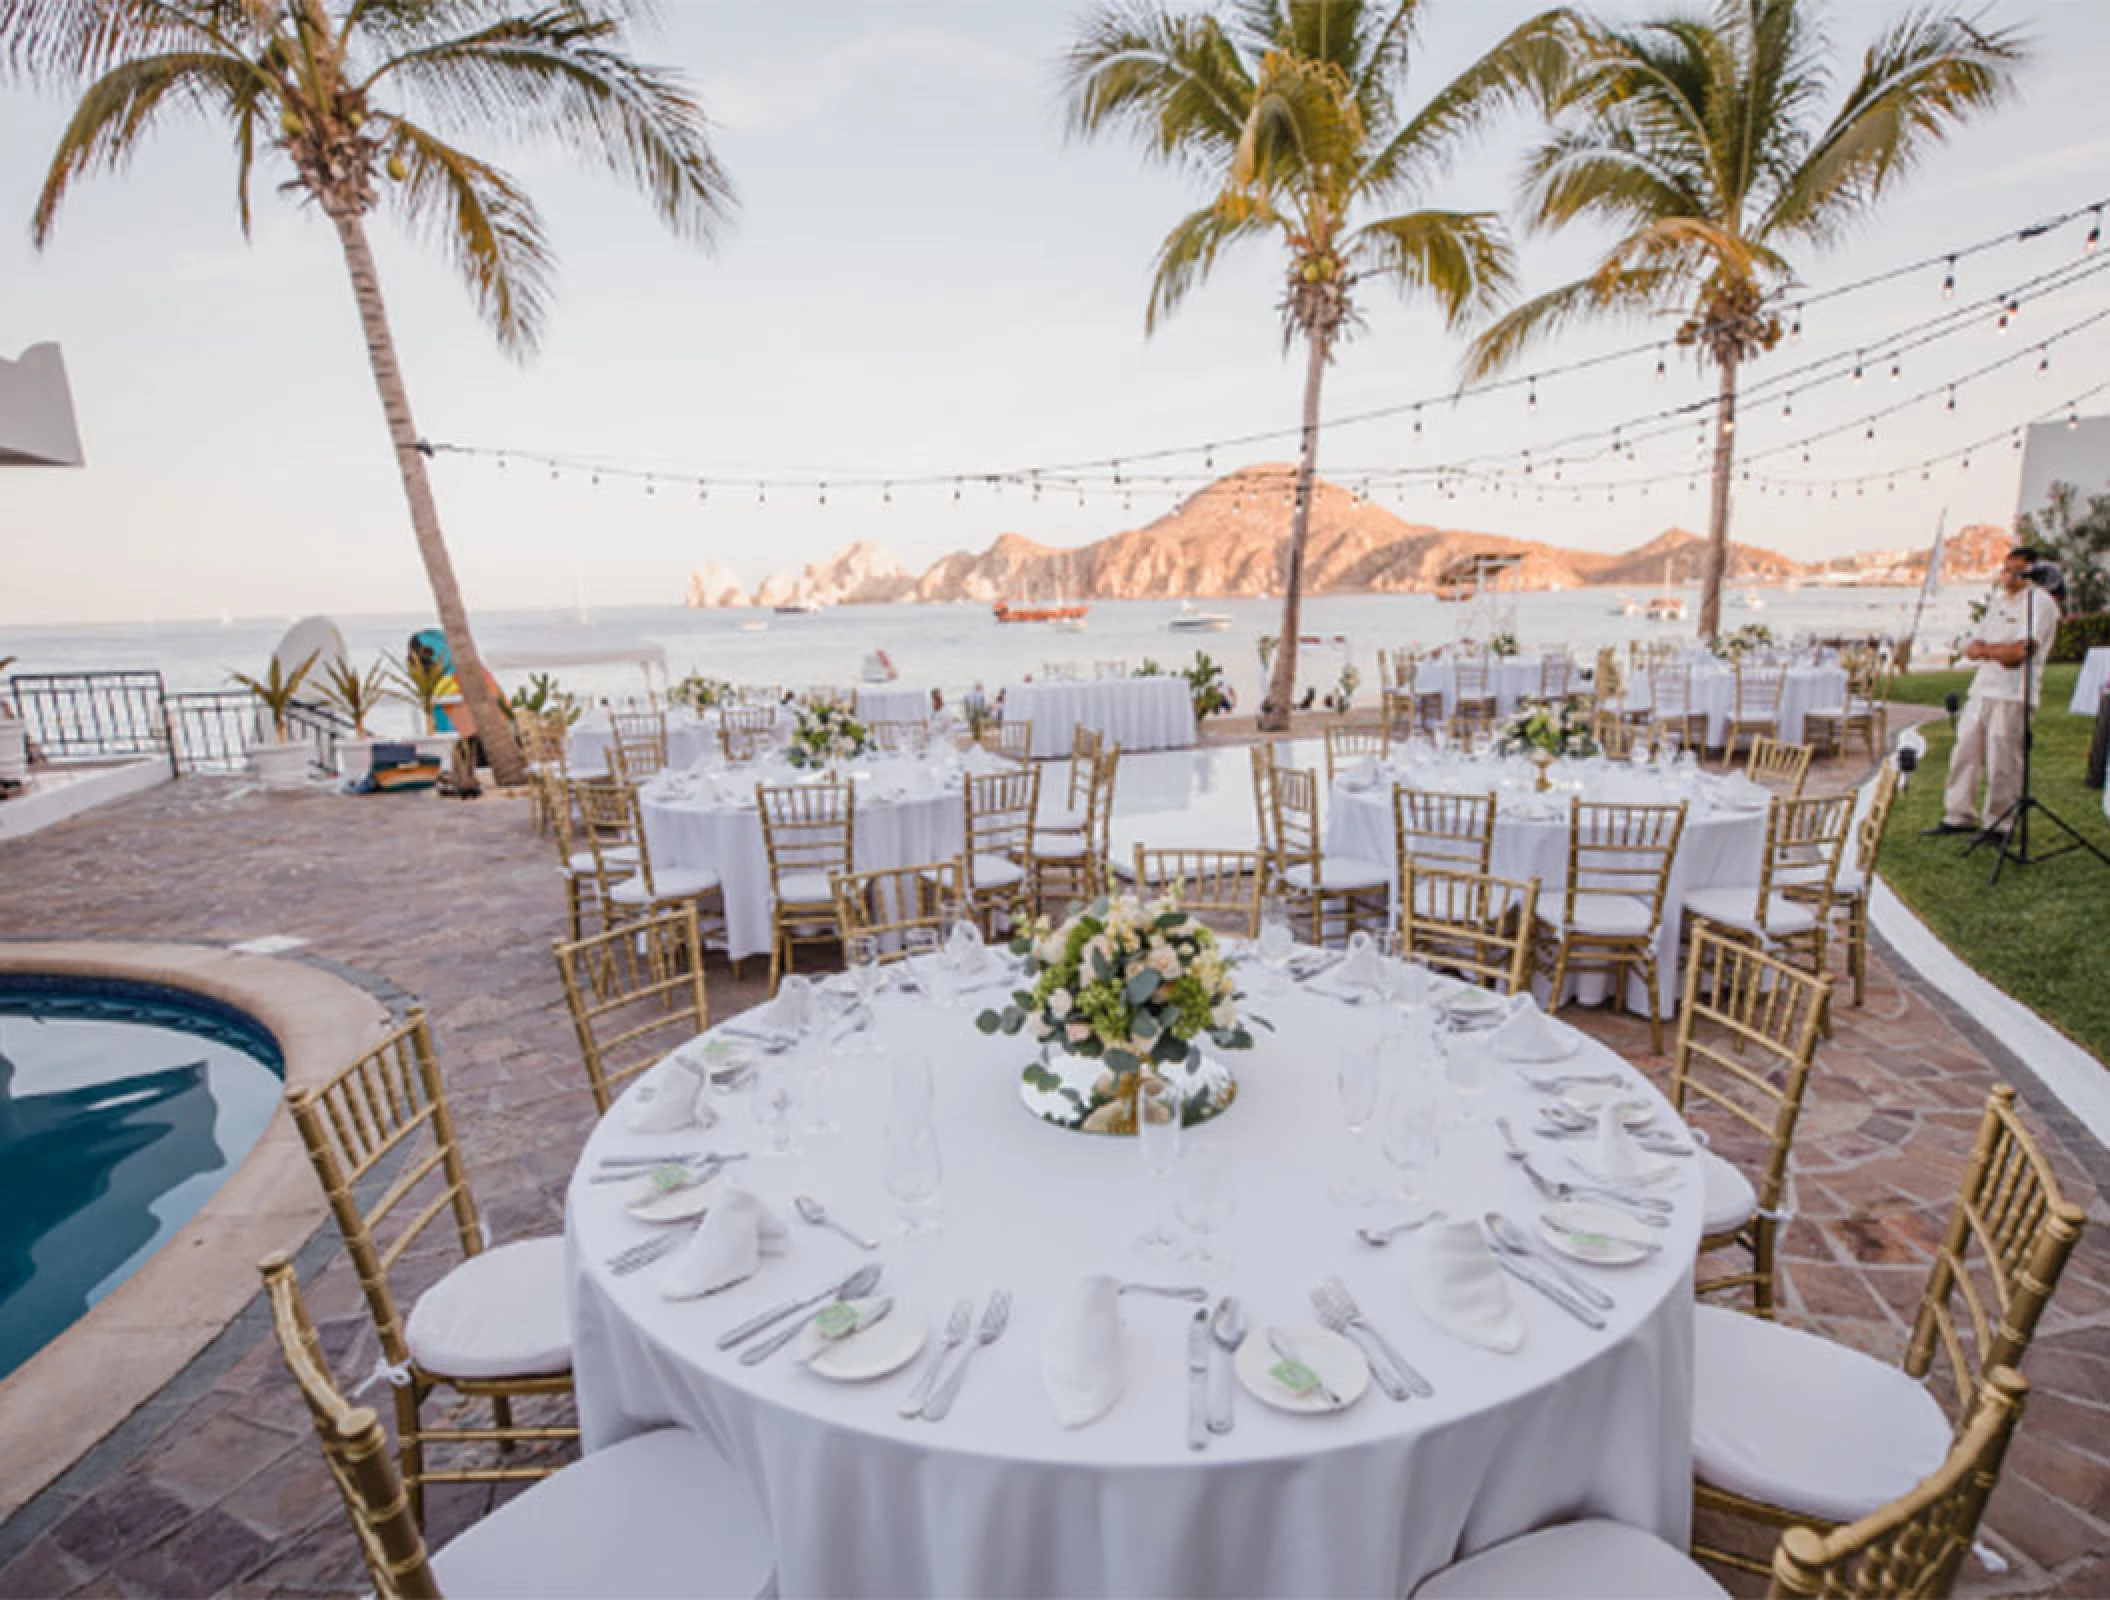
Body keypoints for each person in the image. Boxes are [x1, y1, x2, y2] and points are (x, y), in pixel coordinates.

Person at [1926, 547, 2061, 838]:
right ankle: (1958, 815)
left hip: (2013, 694)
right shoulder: (1999, 603)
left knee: (2003, 760)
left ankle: (1999, 824)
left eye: (2017, 569)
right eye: (2006, 568)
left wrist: (1986, 651)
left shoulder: (2040, 603)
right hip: (1982, 690)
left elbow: (2020, 652)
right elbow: (1973, 644)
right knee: (1965, 752)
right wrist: (1986, 650)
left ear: (2031, 572)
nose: (2008, 575)